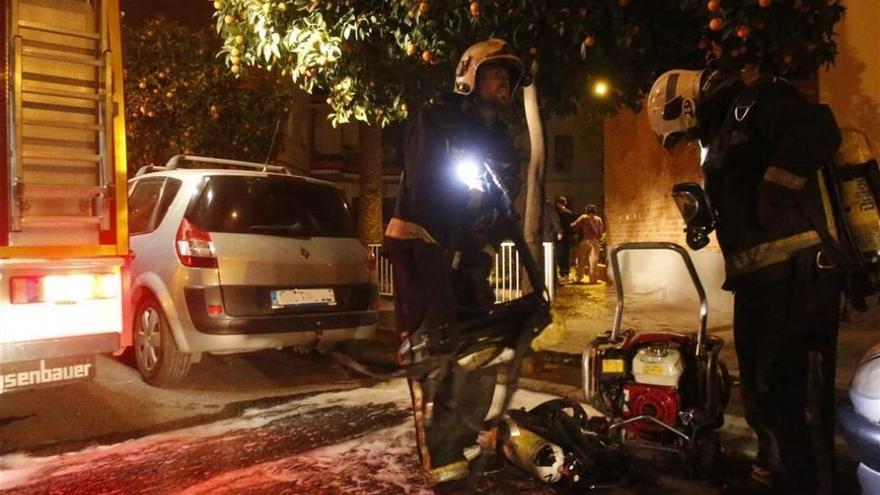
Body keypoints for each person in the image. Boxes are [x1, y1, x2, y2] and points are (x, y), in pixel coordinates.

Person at [648, 67, 843, 494]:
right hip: (760, 284)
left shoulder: (756, 102)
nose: (690, 139)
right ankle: (775, 471)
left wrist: (776, 190)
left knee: (800, 395)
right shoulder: (726, 134)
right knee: (762, 388)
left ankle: (812, 484)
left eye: (684, 130)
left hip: (799, 278)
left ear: (687, 106)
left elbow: (817, 128)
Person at [383, 38, 526, 486]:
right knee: (439, 347)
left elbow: (506, 199)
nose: (504, 83)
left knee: (481, 346)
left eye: (509, 77)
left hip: (470, 252)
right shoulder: (436, 119)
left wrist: (485, 244)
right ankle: (441, 456)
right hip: (426, 245)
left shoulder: (501, 137)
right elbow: (428, 187)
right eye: (495, 74)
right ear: (470, 76)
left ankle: (460, 435)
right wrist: (455, 240)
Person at [571, 204, 605, 284]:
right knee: (593, 261)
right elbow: (601, 230)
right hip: (595, 242)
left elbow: (575, 226)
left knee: (581, 261)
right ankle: (593, 279)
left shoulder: (583, 218)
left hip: (584, 241)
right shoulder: (598, 219)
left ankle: (579, 278)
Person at [555, 196, 575, 283]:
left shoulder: (557, 213)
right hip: (567, 237)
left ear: (558, 204)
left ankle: (562, 273)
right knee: (566, 255)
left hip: (559, 237)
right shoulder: (569, 213)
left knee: (560, 256)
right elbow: (571, 226)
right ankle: (566, 273)